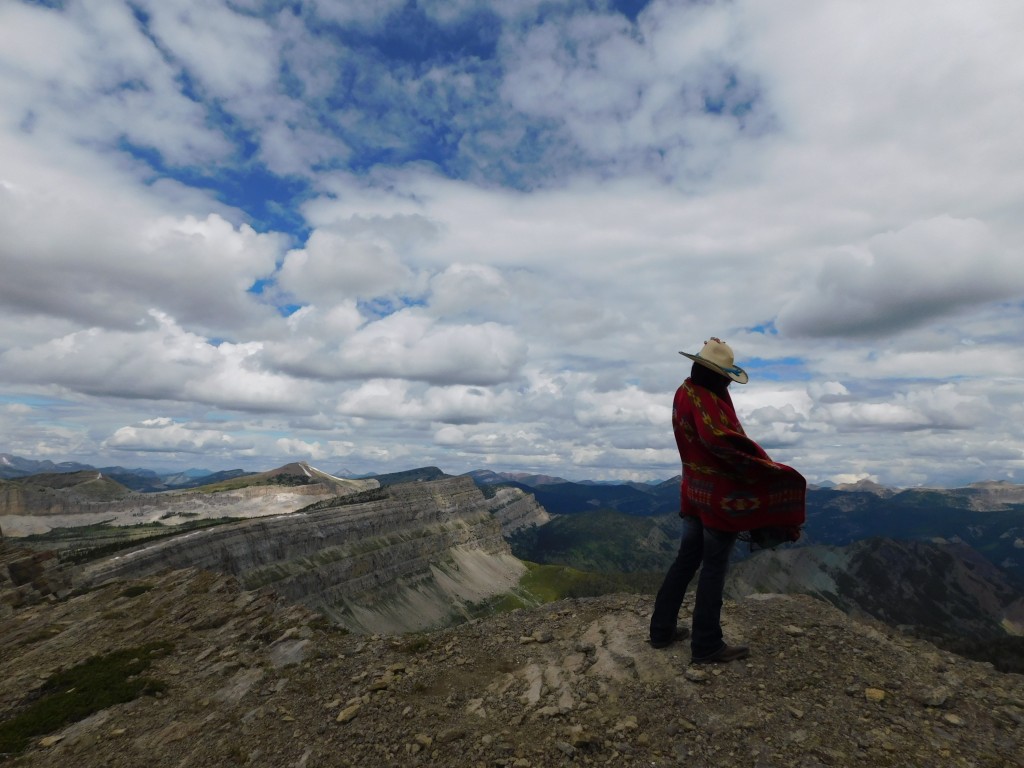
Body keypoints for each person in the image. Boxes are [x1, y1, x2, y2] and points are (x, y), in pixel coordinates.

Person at [649, 337, 806, 663]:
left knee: (686, 561)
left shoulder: (684, 392)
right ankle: (706, 644)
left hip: (693, 492)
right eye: (725, 378)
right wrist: (766, 466)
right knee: (714, 569)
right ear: (719, 376)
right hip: (718, 500)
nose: (727, 384)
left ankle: (661, 631)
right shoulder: (707, 401)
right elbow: (721, 442)